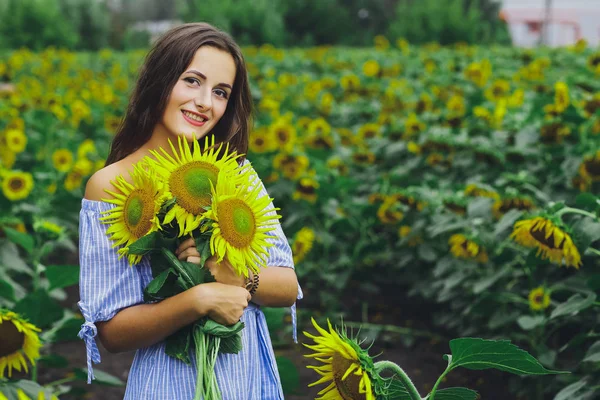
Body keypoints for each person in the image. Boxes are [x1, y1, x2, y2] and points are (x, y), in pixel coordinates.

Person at [78, 22, 301, 399]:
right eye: (192, 81)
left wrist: (236, 276)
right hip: (171, 380)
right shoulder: (111, 186)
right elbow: (112, 332)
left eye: (220, 92)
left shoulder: (235, 171)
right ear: (160, 81)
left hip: (245, 374)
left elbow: (288, 286)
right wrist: (198, 300)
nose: (204, 103)